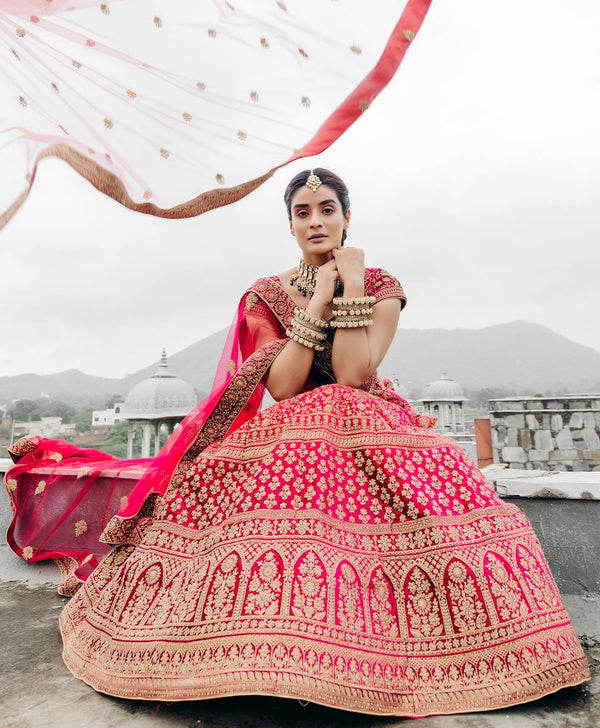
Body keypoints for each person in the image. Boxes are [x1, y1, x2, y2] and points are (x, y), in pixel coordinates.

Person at [5, 169, 590, 716]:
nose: (315, 220)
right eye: (302, 211)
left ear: (347, 218)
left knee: (438, 492)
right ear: (289, 224)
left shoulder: (382, 285)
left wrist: (352, 283)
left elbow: (356, 372)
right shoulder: (266, 295)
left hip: (371, 421)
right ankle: (264, 654)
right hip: (294, 426)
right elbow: (284, 386)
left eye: (327, 209)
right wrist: (317, 297)